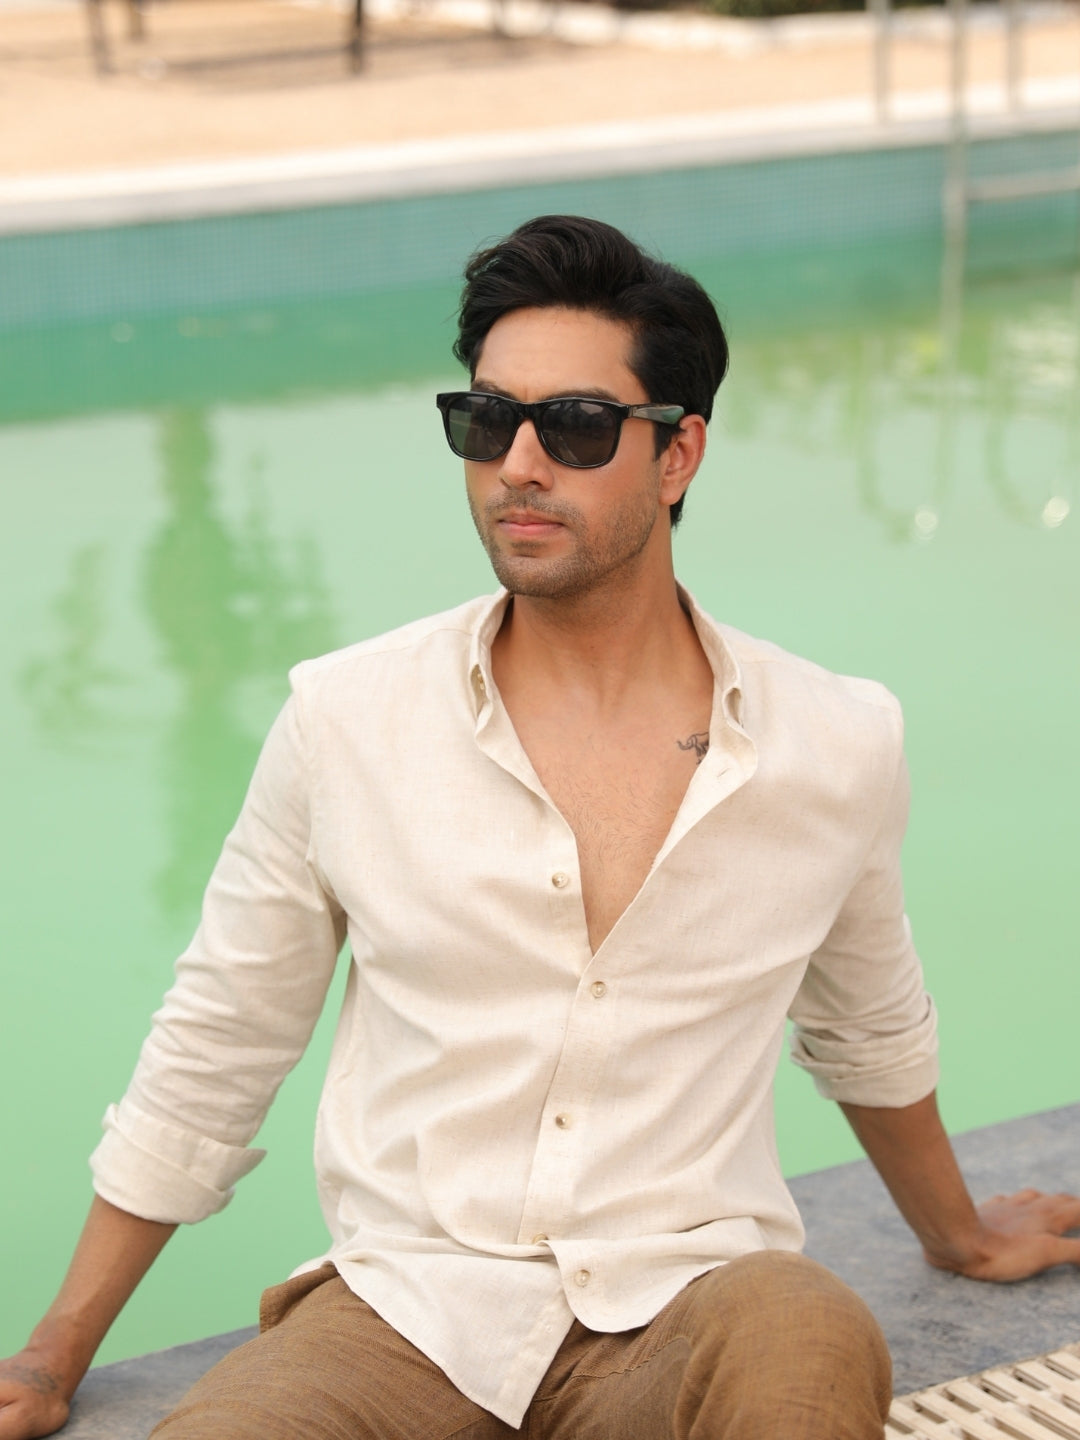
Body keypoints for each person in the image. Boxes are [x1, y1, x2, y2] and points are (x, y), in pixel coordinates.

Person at [2, 214, 1079, 1440]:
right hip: (404, 1313)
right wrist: (52, 1352)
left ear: (677, 455)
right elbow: (219, 1046)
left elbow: (868, 1029)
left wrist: (957, 1232)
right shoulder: (347, 719)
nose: (518, 464)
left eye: (572, 425)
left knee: (810, 1329)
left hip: (690, 1301)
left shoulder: (834, 740)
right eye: (487, 420)